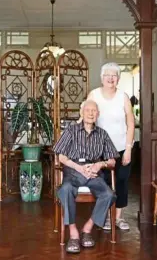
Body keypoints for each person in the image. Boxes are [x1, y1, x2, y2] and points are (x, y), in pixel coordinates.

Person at [53, 100, 119, 254]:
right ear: (81, 113)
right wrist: (78, 168)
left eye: (94, 111)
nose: (90, 113)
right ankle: (74, 233)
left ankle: (87, 229)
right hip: (74, 170)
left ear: (98, 114)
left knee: (109, 194)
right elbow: (61, 156)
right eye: (87, 110)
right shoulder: (71, 130)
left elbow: (112, 161)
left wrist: (99, 165)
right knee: (66, 189)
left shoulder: (103, 134)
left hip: (94, 172)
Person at [88, 62, 135, 231]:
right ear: (101, 78)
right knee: (103, 183)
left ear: (118, 79)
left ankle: (118, 218)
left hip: (122, 147)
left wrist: (128, 148)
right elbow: (86, 116)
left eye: (114, 75)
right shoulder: (94, 95)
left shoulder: (123, 96)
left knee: (122, 182)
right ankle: (107, 216)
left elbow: (130, 123)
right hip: (100, 149)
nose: (110, 78)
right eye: (107, 75)